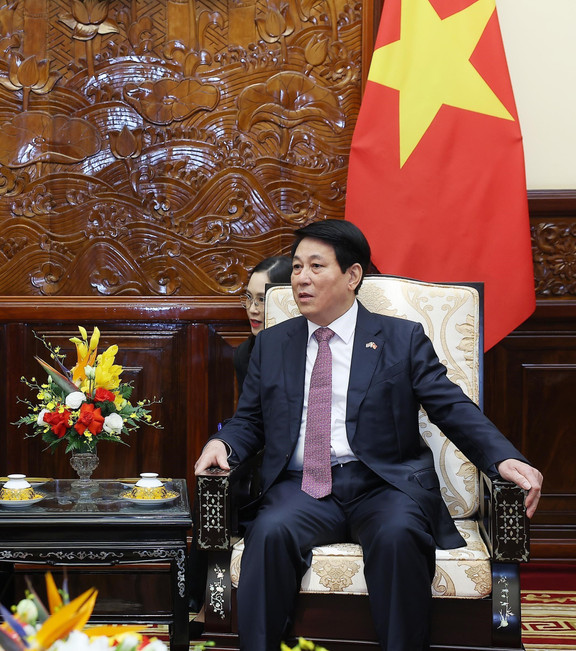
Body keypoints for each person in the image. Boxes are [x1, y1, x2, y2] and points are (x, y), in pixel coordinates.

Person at [193, 219, 542, 651]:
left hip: (383, 484)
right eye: (297, 267)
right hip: (302, 488)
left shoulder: (401, 339)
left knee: (399, 536)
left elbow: (450, 407)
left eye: (316, 266)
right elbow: (249, 420)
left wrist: (503, 457)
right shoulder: (272, 344)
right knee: (269, 534)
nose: (301, 278)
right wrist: (222, 443)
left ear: (352, 275)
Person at [234, 256, 291, 389]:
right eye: (249, 297)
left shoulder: (312, 348)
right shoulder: (244, 353)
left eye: (262, 299)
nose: (252, 309)